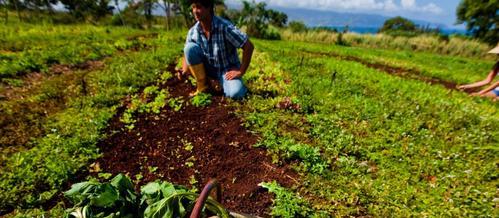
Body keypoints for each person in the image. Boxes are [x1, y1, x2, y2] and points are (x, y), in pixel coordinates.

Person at [181, 0, 254, 99]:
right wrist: (184, 70)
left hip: (226, 70)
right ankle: (203, 86)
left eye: (198, 7)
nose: (195, 11)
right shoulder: (193, 32)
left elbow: (248, 46)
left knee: (236, 94)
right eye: (193, 7)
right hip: (208, 70)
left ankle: (231, 85)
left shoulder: (225, 27)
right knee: (189, 47)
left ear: (209, 8)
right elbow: (187, 53)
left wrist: (241, 71)